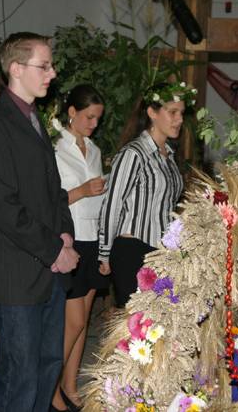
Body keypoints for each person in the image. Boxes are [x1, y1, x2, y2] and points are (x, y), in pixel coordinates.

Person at [0, 32, 80, 412]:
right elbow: (2, 206)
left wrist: (65, 234)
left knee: (47, 367)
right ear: (16, 69)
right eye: (44, 66)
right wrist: (54, 250)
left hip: (50, 269)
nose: (52, 73)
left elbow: (53, 190)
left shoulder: (32, 118)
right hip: (17, 274)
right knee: (19, 378)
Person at [98, 82, 187, 309]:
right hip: (133, 250)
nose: (179, 119)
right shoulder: (134, 153)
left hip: (161, 252)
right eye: (173, 112)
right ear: (152, 113)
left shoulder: (169, 156)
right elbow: (112, 203)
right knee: (138, 324)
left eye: (182, 113)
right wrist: (104, 253)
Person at [51, 84, 109, 412]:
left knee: (83, 320)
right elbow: (51, 199)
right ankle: (47, 385)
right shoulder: (54, 147)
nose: (94, 124)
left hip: (92, 237)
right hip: (69, 238)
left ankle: (70, 386)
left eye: (98, 118)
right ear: (71, 112)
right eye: (89, 117)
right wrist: (83, 190)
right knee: (71, 322)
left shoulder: (95, 150)